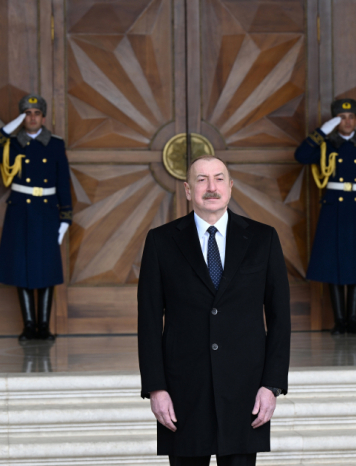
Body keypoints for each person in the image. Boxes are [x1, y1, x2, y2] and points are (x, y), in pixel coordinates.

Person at [137, 155, 291, 466]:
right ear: (187, 189)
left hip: (245, 392)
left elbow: (280, 318)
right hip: (183, 393)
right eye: (202, 179)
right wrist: (156, 388)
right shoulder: (160, 242)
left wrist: (271, 385)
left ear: (231, 187)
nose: (211, 187)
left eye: (219, 178)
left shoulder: (264, 239)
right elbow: (149, 322)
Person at [0, 94, 72, 341]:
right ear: (22, 117)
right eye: (27, 114)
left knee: (47, 269)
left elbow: (63, 182)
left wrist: (65, 218)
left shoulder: (55, 144)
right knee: (22, 268)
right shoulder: (12, 143)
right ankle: (29, 326)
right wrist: (9, 128)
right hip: (20, 212)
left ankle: (44, 327)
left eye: (36, 113)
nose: (32, 118)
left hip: (47, 212)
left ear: (43, 116)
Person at [294, 98, 356, 335]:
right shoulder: (326, 145)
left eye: (351, 117)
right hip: (333, 210)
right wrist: (323, 131)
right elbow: (301, 155)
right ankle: (339, 321)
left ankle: (353, 320)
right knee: (332, 265)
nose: (347, 121)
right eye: (342, 118)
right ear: (335, 120)